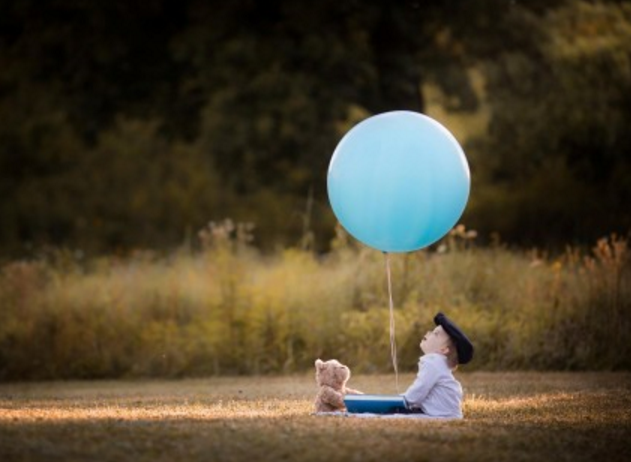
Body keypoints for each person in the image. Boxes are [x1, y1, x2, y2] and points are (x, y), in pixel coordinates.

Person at [402, 312, 474, 418]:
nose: (428, 333)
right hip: (447, 415)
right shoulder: (440, 364)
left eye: (435, 334)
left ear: (444, 349)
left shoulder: (433, 361)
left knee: (383, 416)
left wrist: (401, 400)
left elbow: (418, 391)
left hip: (439, 416)